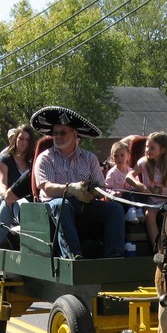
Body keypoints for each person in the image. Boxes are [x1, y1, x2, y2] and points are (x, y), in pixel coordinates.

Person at [31, 106, 124, 259]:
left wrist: (93, 190)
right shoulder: (45, 158)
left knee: (115, 209)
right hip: (55, 208)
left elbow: (100, 187)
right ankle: (74, 255)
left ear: (75, 135)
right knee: (62, 206)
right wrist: (71, 189)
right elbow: (46, 188)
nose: (58, 136)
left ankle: (114, 256)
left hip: (86, 205)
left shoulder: (90, 158)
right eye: (55, 133)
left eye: (62, 132)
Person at [126, 131, 167, 246]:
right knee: (149, 214)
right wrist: (139, 185)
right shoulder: (143, 163)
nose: (147, 150)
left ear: (163, 150)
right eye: (146, 147)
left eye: (152, 148)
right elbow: (129, 176)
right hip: (152, 203)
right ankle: (157, 246)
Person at [0, 124, 35, 248]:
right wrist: (6, 195)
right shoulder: (5, 159)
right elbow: (1, 183)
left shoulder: (34, 160)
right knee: (10, 203)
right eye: (21, 139)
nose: (24, 143)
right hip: (11, 198)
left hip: (32, 200)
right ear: (15, 139)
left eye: (27, 140)